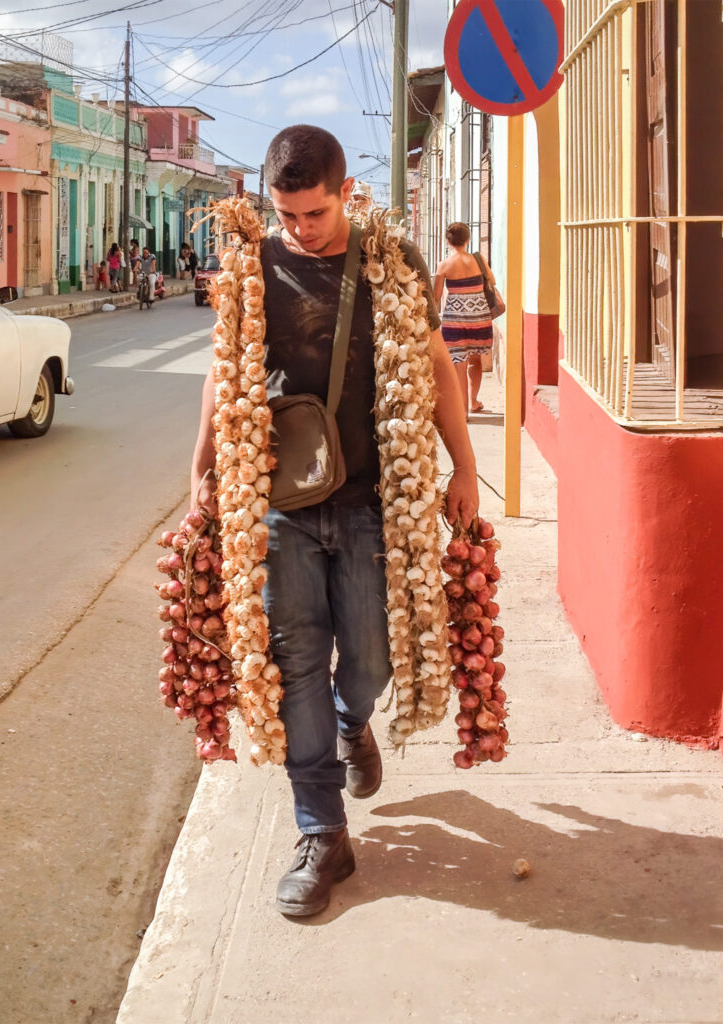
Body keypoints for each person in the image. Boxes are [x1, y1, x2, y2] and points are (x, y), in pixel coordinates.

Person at [188, 124, 480, 917]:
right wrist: (202, 475)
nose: (299, 229)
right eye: (286, 214)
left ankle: (357, 722)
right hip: (280, 506)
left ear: (345, 194)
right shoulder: (252, 264)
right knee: (296, 666)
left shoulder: (392, 263)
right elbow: (224, 372)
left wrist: (465, 466)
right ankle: (323, 832)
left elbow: (437, 371)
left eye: (313, 214)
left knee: (372, 663)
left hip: (371, 501)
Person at [433, 222, 497, 417]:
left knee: (457, 364)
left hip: (454, 320)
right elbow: (492, 282)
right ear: (468, 239)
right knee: (475, 360)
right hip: (479, 318)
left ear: (448, 241)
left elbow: (435, 296)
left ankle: (462, 411)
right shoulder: (479, 261)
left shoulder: (443, 265)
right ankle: (474, 401)